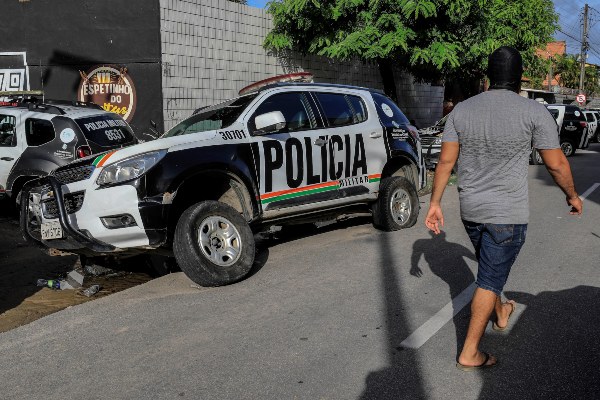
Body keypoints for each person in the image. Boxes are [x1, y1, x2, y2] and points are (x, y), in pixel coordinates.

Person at [424, 46, 583, 371]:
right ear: (518, 77)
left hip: (470, 211)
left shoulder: (462, 111)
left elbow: (446, 160)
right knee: (489, 279)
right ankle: (470, 352)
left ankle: (500, 311)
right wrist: (572, 195)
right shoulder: (534, 112)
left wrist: (436, 202)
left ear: (489, 75)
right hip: (506, 216)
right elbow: (556, 164)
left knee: (489, 269)